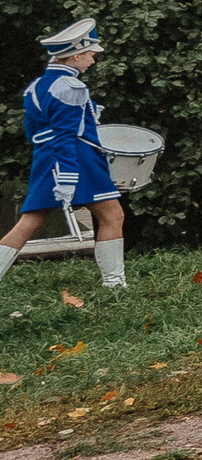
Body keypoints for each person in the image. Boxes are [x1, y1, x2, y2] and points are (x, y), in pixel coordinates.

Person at [2, 20, 128, 291]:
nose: (93, 61)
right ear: (76, 55)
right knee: (112, 215)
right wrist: (68, 176)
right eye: (91, 55)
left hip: (46, 157)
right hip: (76, 158)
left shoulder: (37, 86)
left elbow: (33, 131)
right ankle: (115, 285)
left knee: (31, 220)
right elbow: (66, 135)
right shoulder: (70, 86)